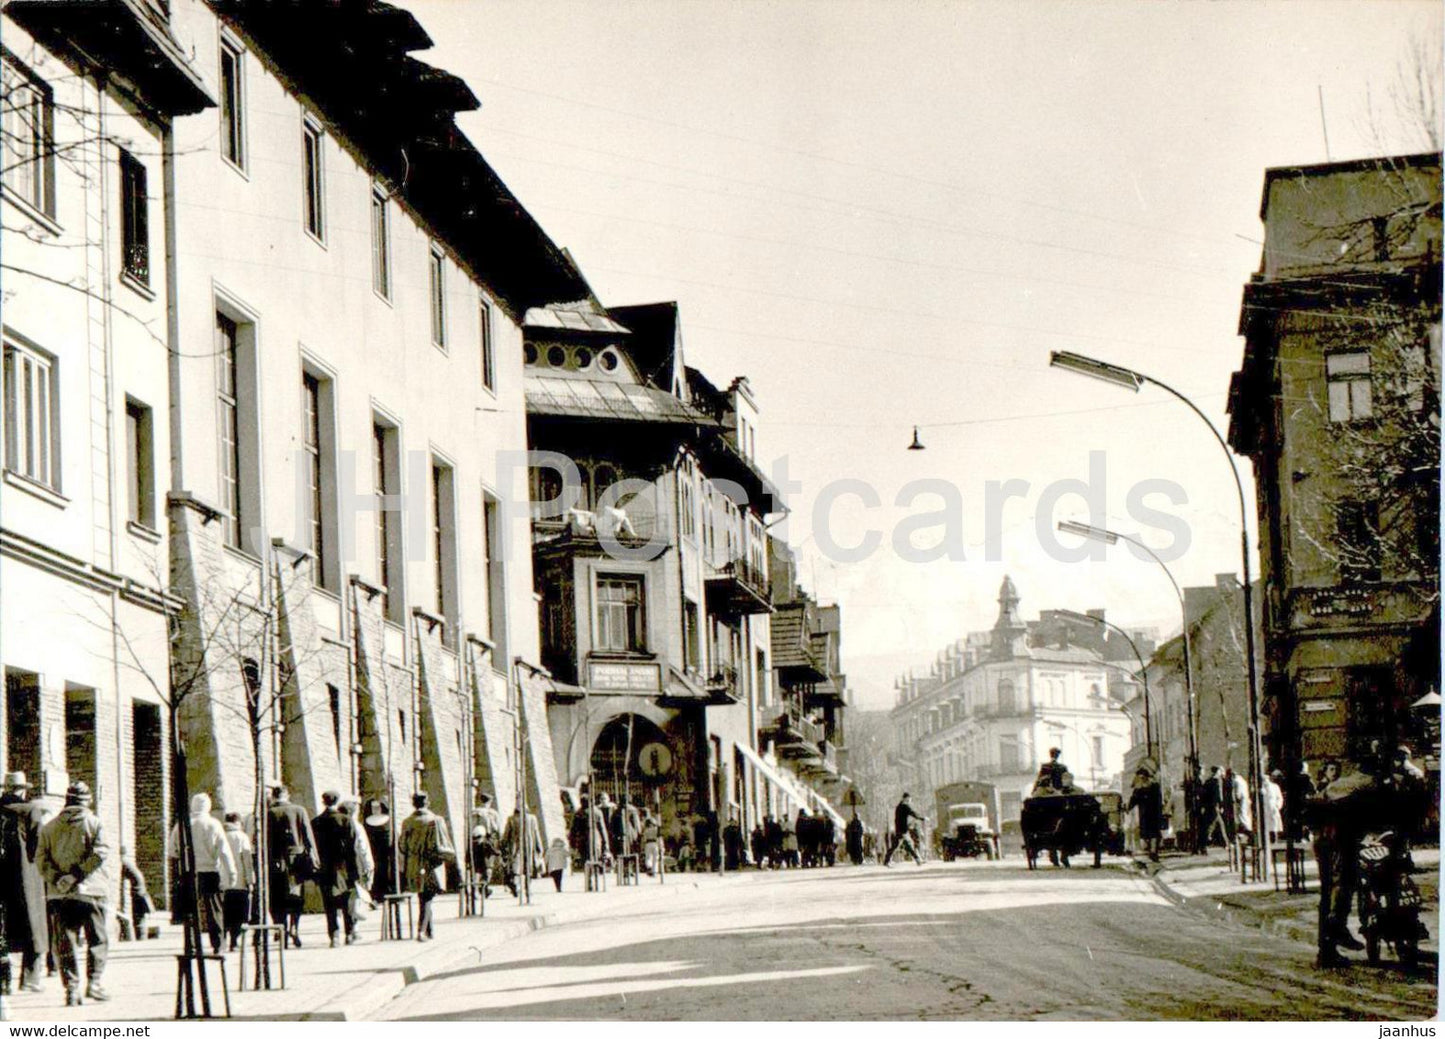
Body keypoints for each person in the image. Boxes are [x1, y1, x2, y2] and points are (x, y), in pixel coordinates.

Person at [36, 782, 111, 1006]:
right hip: (91, 891)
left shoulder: (48, 828)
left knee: (65, 941)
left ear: (66, 800)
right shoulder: (94, 823)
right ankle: (95, 983)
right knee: (97, 938)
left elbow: (41, 860)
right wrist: (76, 875)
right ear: (87, 801)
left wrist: (59, 879)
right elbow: (100, 853)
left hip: (60, 894)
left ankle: (71, 988)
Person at [1, 771, 50, 994]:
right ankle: (30, 979)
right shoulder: (31, 811)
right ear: (23, 790)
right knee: (34, 926)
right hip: (25, 877)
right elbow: (37, 847)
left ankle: (4, 982)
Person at [170, 792, 235, 955]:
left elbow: (172, 851)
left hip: (189, 872)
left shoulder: (182, 824)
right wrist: (231, 872)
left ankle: (191, 944)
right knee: (214, 909)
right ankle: (218, 945)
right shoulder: (213, 824)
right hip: (210, 871)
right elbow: (224, 851)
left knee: (191, 909)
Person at [267, 785, 317, 947]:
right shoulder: (299, 810)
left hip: (275, 861)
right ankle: (294, 926)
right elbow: (308, 836)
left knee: (277, 898)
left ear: (274, 796)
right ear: (287, 795)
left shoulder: (268, 813)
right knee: (296, 895)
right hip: (297, 861)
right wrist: (314, 858)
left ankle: (281, 929)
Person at [399, 793, 454, 941]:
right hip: (431, 864)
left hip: (413, 863)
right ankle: (422, 930)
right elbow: (442, 844)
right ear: (428, 803)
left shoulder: (407, 822)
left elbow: (402, 845)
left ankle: (429, 931)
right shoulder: (435, 820)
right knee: (427, 897)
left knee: (423, 895)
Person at [312, 791, 362, 947]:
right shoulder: (346, 820)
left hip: (325, 867)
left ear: (323, 801)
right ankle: (349, 933)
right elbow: (352, 848)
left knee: (329, 904)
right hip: (344, 867)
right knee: (347, 901)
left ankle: (333, 935)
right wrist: (355, 871)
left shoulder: (316, 822)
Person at [339, 799, 375, 930]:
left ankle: (348, 927)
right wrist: (368, 866)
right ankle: (353, 928)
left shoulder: (338, 824)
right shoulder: (356, 826)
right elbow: (363, 848)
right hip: (356, 866)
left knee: (345, 898)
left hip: (340, 867)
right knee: (354, 897)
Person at [220, 813, 254, 951]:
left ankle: (224, 939)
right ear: (238, 823)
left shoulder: (220, 835)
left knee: (225, 911)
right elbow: (247, 860)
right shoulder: (242, 837)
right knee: (239, 912)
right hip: (239, 881)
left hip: (223, 881)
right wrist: (250, 879)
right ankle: (235, 940)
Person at [1127, 768, 1164, 861]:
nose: (1142, 779)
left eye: (1143, 777)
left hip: (1152, 814)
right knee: (1147, 834)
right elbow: (1133, 801)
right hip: (1145, 814)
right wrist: (1128, 807)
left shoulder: (1154, 786)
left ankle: (1153, 851)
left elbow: (1159, 800)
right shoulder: (1139, 789)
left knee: (1154, 834)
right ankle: (1152, 850)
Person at [118, 845, 153, 942]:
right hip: (141, 892)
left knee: (139, 918)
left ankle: (142, 939)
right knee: (141, 918)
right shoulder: (127, 862)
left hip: (138, 893)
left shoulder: (122, 862)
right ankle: (142, 938)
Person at [362, 800, 393, 905]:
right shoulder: (367, 822)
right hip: (373, 853)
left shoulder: (387, 820)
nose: (375, 810)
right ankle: (375, 895)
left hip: (386, 854)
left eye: (377, 807)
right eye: (373, 808)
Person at [884, 794, 925, 866]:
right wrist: (922, 818)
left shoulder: (898, 807)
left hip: (899, 829)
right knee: (909, 845)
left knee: (895, 846)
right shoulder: (905, 806)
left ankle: (886, 861)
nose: (909, 801)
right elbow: (913, 813)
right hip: (903, 830)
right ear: (906, 798)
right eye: (909, 799)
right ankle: (917, 859)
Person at [1201, 766, 1228, 847]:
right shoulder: (1217, 782)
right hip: (1215, 806)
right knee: (1214, 824)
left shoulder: (1207, 781)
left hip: (1208, 806)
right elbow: (1218, 795)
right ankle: (1223, 843)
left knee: (1213, 824)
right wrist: (1221, 805)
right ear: (1218, 772)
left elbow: (1204, 795)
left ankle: (1223, 842)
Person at [1262, 771, 1286, 842]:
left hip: (1273, 808)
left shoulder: (1275, 787)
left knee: (1274, 824)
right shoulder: (1261, 789)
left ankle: (1275, 839)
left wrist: (1277, 806)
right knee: (1266, 825)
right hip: (1265, 808)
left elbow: (1279, 798)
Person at [641, 810, 662, 875]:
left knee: (648, 857)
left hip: (648, 844)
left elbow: (643, 839)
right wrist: (661, 846)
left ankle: (649, 866)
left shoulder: (646, 830)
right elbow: (659, 838)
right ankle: (654, 871)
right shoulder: (656, 829)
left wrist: (642, 847)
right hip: (655, 843)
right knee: (655, 858)